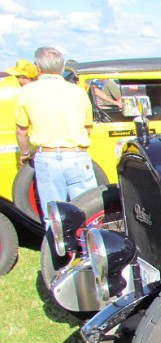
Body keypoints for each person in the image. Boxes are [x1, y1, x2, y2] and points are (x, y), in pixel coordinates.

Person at [14, 46, 97, 228]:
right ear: (61, 69)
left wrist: (25, 154)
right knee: (89, 212)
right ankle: (88, 250)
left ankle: (58, 254)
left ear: (38, 68)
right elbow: (87, 127)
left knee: (55, 216)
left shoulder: (27, 92)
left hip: (48, 156)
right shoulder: (78, 92)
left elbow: (21, 130)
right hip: (77, 154)